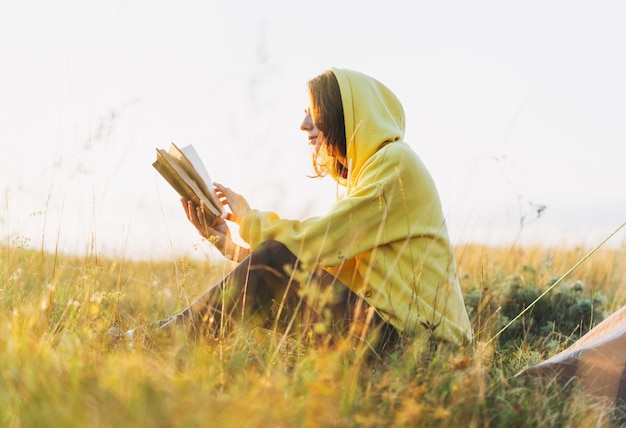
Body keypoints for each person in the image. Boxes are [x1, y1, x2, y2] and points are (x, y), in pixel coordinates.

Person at [128, 68, 472, 351]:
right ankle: (170, 347)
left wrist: (249, 219)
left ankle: (159, 342)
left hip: (424, 348)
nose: (304, 125)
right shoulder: (364, 179)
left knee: (278, 258)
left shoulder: (394, 162)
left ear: (345, 113)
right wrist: (227, 245)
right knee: (275, 273)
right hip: (392, 336)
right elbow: (308, 269)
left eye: (314, 112)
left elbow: (314, 242)